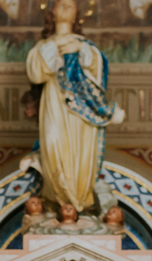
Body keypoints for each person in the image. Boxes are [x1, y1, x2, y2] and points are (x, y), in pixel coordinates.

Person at [21, 0, 125, 214]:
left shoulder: (84, 44)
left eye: (71, 5)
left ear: (77, 14)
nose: (66, 8)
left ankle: (79, 201)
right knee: (53, 141)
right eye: (61, 4)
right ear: (52, 11)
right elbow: (36, 73)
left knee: (80, 150)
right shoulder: (43, 45)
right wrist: (54, 48)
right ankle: (57, 199)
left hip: (81, 107)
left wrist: (81, 49)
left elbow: (99, 71)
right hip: (54, 100)